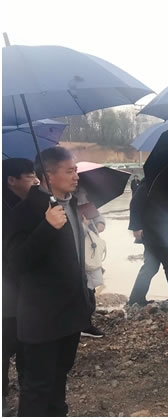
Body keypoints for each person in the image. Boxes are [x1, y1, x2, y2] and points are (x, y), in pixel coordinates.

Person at [6, 147, 95, 416]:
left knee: (59, 380)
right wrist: (46, 227)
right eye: (70, 171)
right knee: (37, 388)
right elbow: (15, 264)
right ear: (48, 175)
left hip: (71, 314)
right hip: (42, 318)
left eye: (76, 170)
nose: (76, 176)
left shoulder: (71, 203)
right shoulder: (24, 211)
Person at [2, 158, 39, 416]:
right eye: (29, 176)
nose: (36, 181)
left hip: (28, 289)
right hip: (7, 290)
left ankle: (28, 392)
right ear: (11, 181)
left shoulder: (31, 205)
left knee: (28, 342)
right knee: (4, 344)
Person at [128, 178, 168, 309]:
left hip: (161, 231)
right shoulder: (149, 183)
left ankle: (136, 298)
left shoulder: (167, 184)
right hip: (152, 232)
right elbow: (135, 204)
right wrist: (136, 227)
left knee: (151, 266)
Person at [75, 187, 107, 338]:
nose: (75, 177)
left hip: (89, 248)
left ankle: (85, 321)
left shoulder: (83, 193)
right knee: (82, 287)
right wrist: (83, 226)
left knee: (90, 286)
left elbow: (96, 214)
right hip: (76, 251)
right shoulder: (58, 201)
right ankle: (83, 324)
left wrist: (99, 222)